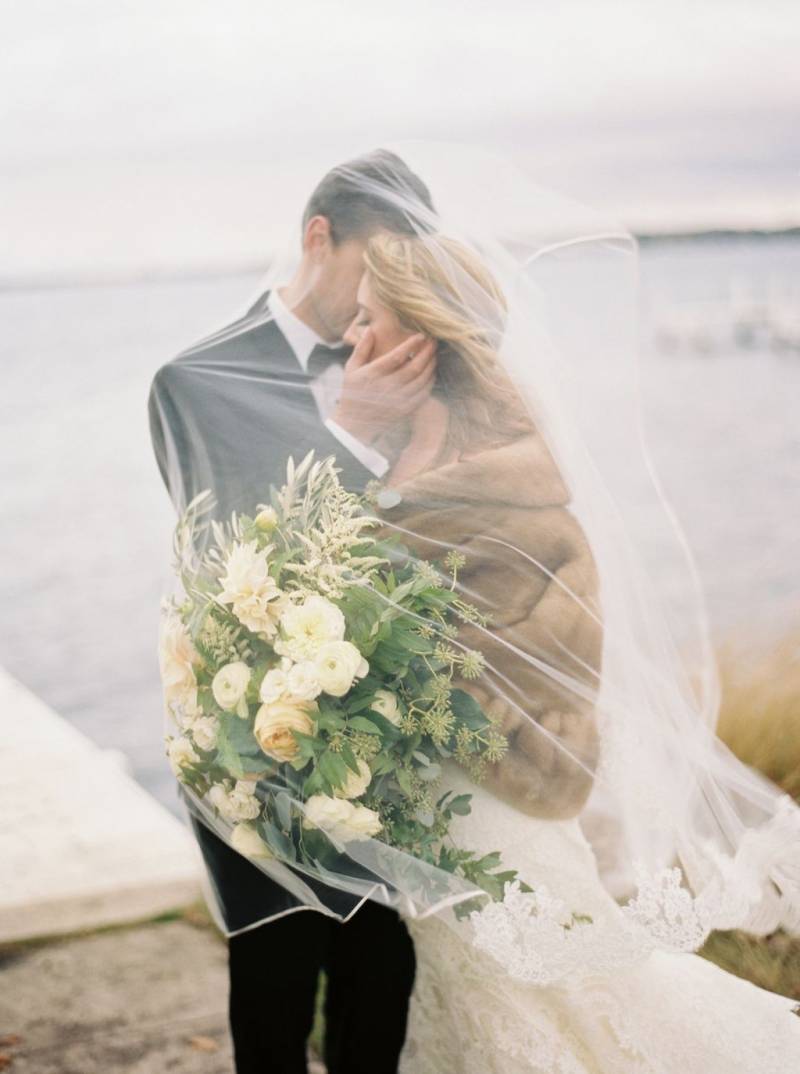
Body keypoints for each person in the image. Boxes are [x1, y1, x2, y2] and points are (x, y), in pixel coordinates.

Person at [341, 227, 800, 1073]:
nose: (349, 338)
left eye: (368, 317)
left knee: (568, 1012)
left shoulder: (505, 487)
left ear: (419, 339)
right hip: (432, 818)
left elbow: (504, 669)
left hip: (492, 811)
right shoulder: (399, 449)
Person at [148, 149, 439, 1074]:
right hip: (253, 739)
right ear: (320, 238)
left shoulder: (419, 362)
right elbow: (245, 567)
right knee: (274, 986)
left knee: (381, 976)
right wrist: (351, 429)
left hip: (386, 732)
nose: (388, 293)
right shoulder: (193, 381)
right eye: (377, 263)